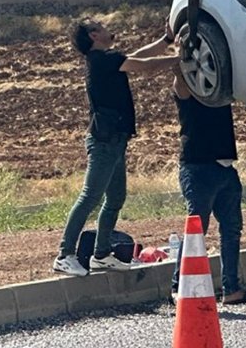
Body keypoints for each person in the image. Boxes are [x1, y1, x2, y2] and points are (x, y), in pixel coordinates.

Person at [53, 18, 179, 277]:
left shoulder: (107, 60)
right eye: (101, 25)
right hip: (104, 141)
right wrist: (180, 58)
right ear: (94, 35)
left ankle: (101, 255)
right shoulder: (101, 60)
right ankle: (65, 255)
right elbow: (147, 67)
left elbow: (137, 57)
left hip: (116, 140)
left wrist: (166, 42)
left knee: (115, 198)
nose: (109, 27)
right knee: (90, 197)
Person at [170, 66, 246, 304]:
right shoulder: (189, 89)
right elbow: (180, 88)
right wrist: (181, 67)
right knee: (196, 229)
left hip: (225, 168)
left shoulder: (218, 91)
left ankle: (231, 289)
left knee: (231, 229)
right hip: (199, 168)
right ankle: (179, 288)